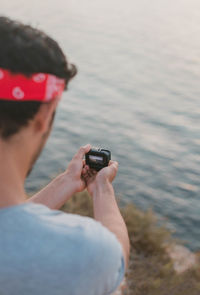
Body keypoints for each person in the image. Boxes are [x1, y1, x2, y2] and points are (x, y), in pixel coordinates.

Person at [0, 16, 130, 295]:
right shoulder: (84, 253)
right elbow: (114, 257)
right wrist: (102, 190)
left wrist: (66, 183)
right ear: (44, 115)